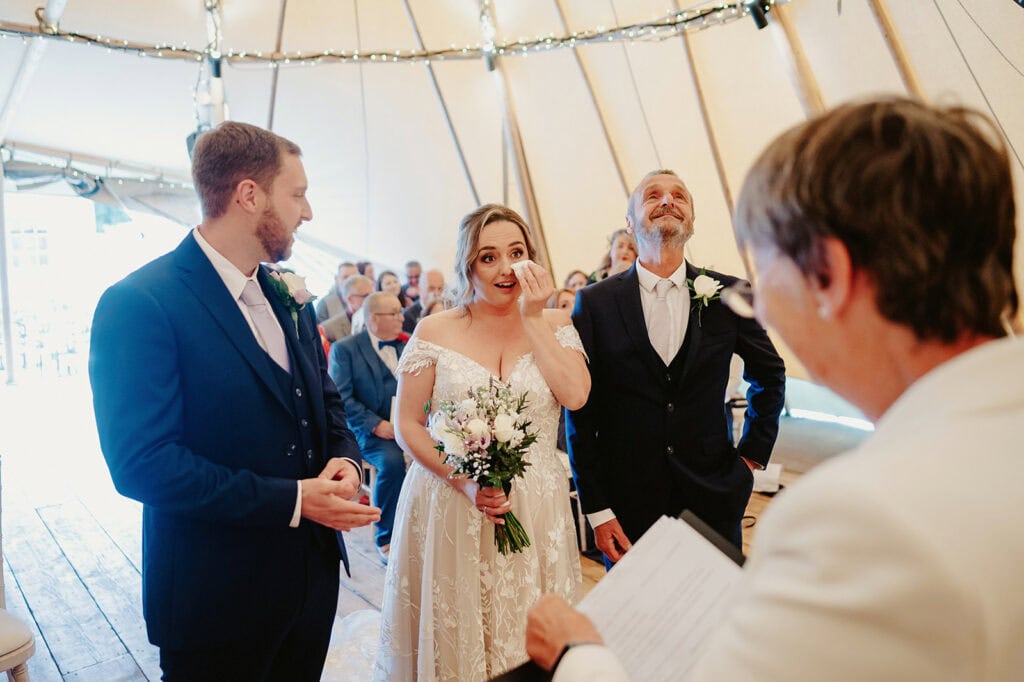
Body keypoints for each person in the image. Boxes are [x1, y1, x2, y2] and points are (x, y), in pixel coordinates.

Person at [527, 98, 1023, 680]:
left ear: (829, 276)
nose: (758, 303)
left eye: (767, 276)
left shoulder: (850, 522)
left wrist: (576, 653)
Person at [88, 121, 381, 681]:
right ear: (250, 195)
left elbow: (326, 402)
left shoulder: (288, 295)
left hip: (311, 587)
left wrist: (342, 460)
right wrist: (294, 500)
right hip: (215, 601)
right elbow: (143, 466)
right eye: (297, 194)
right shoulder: (140, 303)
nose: (308, 212)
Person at [374, 204, 591, 681]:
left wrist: (533, 319)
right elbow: (408, 423)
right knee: (458, 625)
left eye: (516, 252)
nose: (505, 267)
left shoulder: (556, 323)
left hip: (535, 504)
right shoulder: (435, 330)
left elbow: (575, 396)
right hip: (452, 499)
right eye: (488, 256)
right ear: (468, 265)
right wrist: (465, 483)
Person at [568, 169, 786, 561]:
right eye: (652, 195)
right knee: (633, 620)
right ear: (631, 223)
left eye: (679, 196)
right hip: (627, 503)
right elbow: (581, 412)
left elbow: (769, 375)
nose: (667, 201)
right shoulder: (595, 304)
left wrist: (750, 459)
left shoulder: (731, 294)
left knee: (716, 616)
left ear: (691, 222)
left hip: (714, 495)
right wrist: (597, 510)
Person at [328, 292, 409, 565]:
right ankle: (385, 537)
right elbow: (340, 398)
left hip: (409, 426)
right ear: (373, 319)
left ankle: (419, 529)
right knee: (392, 461)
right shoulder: (346, 349)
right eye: (395, 313)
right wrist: (377, 425)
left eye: (401, 312)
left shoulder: (406, 344)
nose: (402, 317)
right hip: (367, 432)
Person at [328, 273, 373, 340]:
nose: (371, 300)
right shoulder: (330, 329)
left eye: (373, 295)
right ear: (350, 299)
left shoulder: (377, 319)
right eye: (366, 296)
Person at [402, 268, 446, 334]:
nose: (437, 294)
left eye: (440, 289)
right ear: (420, 289)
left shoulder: (448, 310)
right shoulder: (408, 316)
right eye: (431, 288)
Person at [316, 260, 357, 329]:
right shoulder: (324, 304)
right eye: (345, 277)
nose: (350, 281)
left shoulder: (364, 300)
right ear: (336, 278)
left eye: (353, 278)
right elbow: (321, 333)